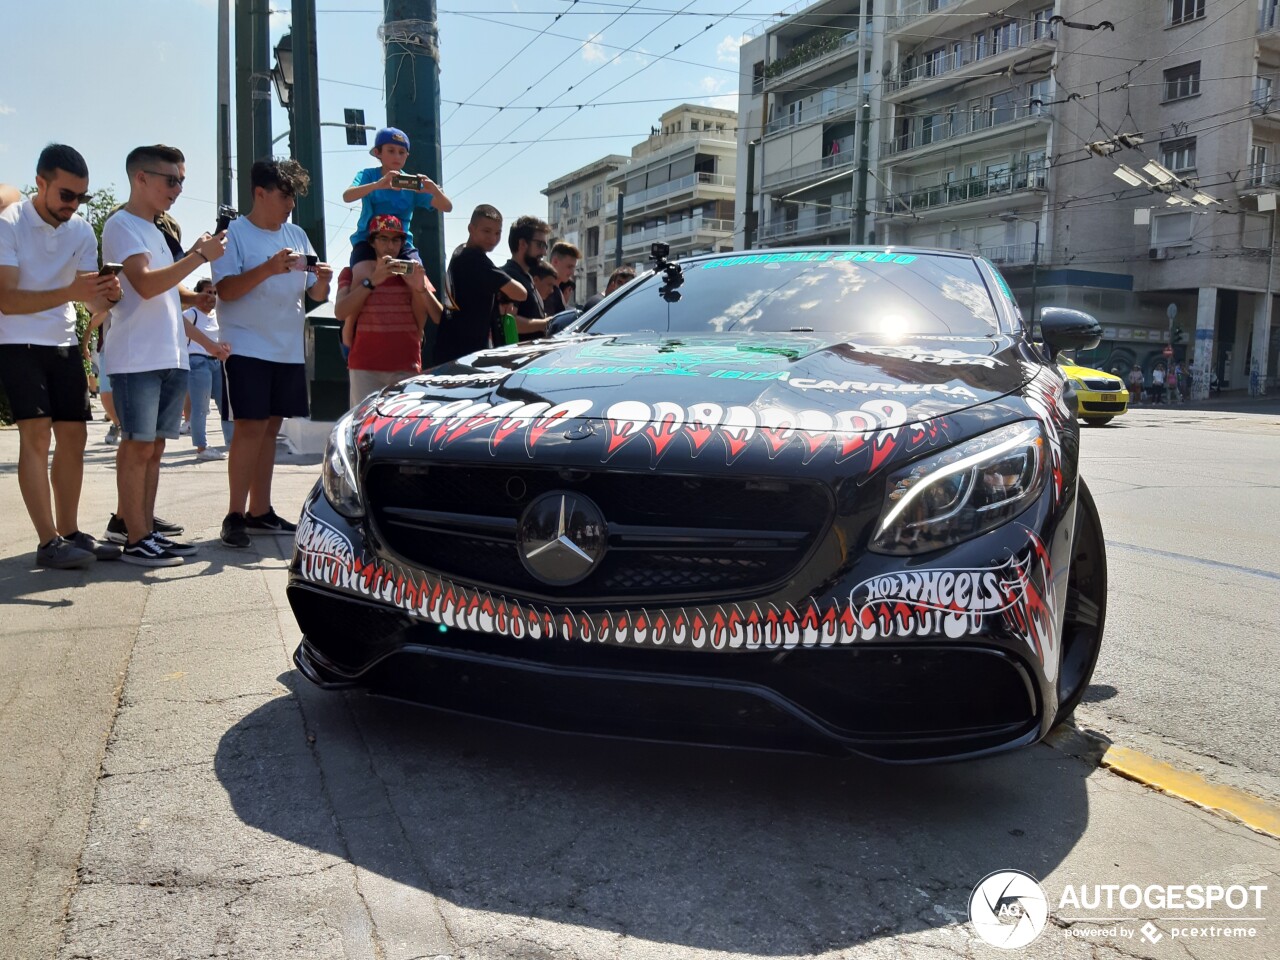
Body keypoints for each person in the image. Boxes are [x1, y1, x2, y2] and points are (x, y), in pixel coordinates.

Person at [101, 144, 225, 566]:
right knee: (138, 448)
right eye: (171, 180)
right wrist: (196, 256)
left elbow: (165, 289)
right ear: (141, 178)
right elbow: (146, 284)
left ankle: (144, 529)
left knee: (153, 449)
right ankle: (135, 538)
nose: (177, 189)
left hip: (169, 353)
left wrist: (196, 297)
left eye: (182, 181)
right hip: (137, 357)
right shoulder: (121, 225)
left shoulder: (154, 229)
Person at [0, 144, 123, 568]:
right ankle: (47, 541)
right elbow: (8, 300)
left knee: (74, 437)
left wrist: (108, 296)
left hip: (64, 343)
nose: (73, 206)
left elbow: (90, 298)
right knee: (36, 436)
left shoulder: (82, 232)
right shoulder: (9, 223)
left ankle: (69, 532)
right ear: (40, 183)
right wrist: (72, 292)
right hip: (17, 342)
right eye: (66, 195)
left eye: (81, 197)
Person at [212, 158, 332, 548]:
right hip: (246, 345)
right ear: (259, 193)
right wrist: (268, 268)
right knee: (249, 426)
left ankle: (260, 511)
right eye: (284, 195)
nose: (290, 204)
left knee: (270, 429)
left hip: (286, 348)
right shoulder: (235, 234)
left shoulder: (297, 234)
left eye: (293, 197)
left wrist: (323, 282)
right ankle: (234, 513)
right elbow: (225, 291)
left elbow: (315, 294)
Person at [335, 214, 441, 406]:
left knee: (400, 429)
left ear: (402, 243)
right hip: (364, 367)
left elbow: (434, 317)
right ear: (372, 242)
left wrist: (420, 287)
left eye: (395, 240)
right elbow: (341, 312)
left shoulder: (412, 274)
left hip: (405, 366)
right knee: (363, 429)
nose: (390, 246)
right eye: (383, 239)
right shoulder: (353, 273)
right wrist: (372, 282)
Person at [341, 127, 452, 289]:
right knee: (360, 277)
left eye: (402, 152)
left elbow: (447, 207)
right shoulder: (368, 175)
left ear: (407, 155)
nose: (397, 156)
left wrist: (434, 190)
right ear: (378, 153)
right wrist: (377, 185)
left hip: (401, 244)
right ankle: (352, 314)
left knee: (421, 283)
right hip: (367, 239)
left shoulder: (412, 184)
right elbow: (347, 196)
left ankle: (422, 314)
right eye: (391, 151)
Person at [434, 204, 527, 364]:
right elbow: (521, 293)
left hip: (448, 349)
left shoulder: (459, 251)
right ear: (471, 228)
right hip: (465, 354)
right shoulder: (475, 260)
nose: (493, 238)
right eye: (486, 231)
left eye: (498, 233)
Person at [183, 278, 234, 460]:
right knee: (201, 406)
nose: (211, 297)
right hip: (198, 362)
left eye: (214, 293)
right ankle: (201, 447)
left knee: (225, 404)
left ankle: (232, 442)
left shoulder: (217, 316)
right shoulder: (191, 314)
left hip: (217, 362)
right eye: (208, 292)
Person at [501, 215, 552, 340]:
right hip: (517, 357)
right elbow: (510, 322)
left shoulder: (525, 276)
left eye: (545, 246)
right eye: (540, 245)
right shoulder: (509, 276)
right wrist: (546, 323)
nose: (544, 252)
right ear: (522, 243)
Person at [81, 307, 120, 444]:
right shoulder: (107, 302)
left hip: (131, 351)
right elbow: (92, 324)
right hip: (107, 351)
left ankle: (128, 428)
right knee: (105, 394)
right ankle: (117, 423)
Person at [542, 240, 580, 316]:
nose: (572, 272)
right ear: (555, 262)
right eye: (569, 267)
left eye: (574, 268)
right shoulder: (545, 289)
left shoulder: (557, 290)